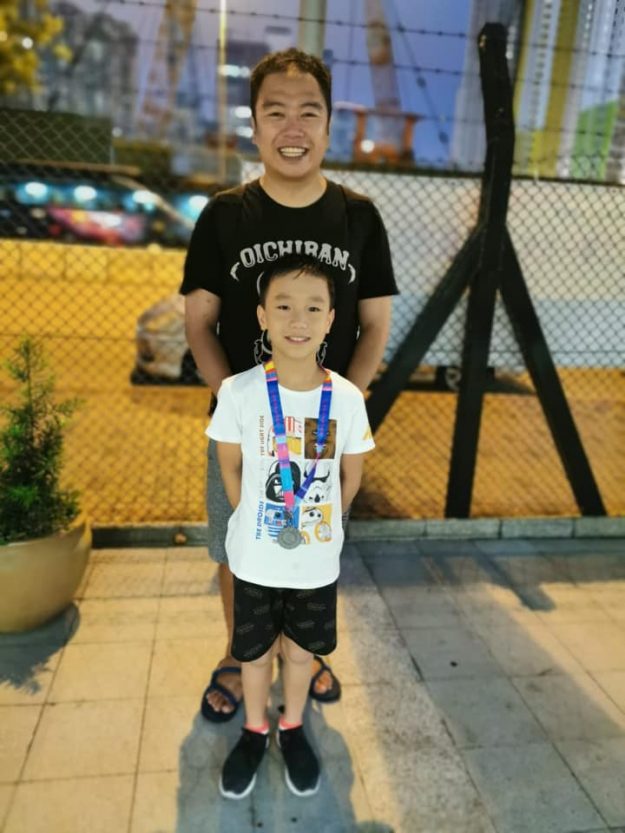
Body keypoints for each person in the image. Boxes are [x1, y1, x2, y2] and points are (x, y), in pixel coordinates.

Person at [181, 47, 398, 722]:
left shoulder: (358, 217)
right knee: (238, 539)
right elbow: (199, 323)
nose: (293, 127)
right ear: (254, 126)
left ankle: (302, 649)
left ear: (330, 125)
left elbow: (374, 325)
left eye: (309, 111)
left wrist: (342, 406)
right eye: (275, 112)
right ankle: (238, 651)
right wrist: (235, 402)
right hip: (246, 426)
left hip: (320, 427)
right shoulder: (225, 215)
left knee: (310, 540)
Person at [207, 254, 375, 798]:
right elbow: (230, 467)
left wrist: (324, 527)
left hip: (315, 563)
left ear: (331, 321)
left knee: (301, 654)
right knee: (254, 654)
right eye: (283, 307)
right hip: (255, 559)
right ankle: (255, 729)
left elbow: (351, 475)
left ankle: (293, 725)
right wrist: (254, 520)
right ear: (262, 316)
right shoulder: (238, 392)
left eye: (313, 308)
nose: (298, 320)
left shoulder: (345, 399)